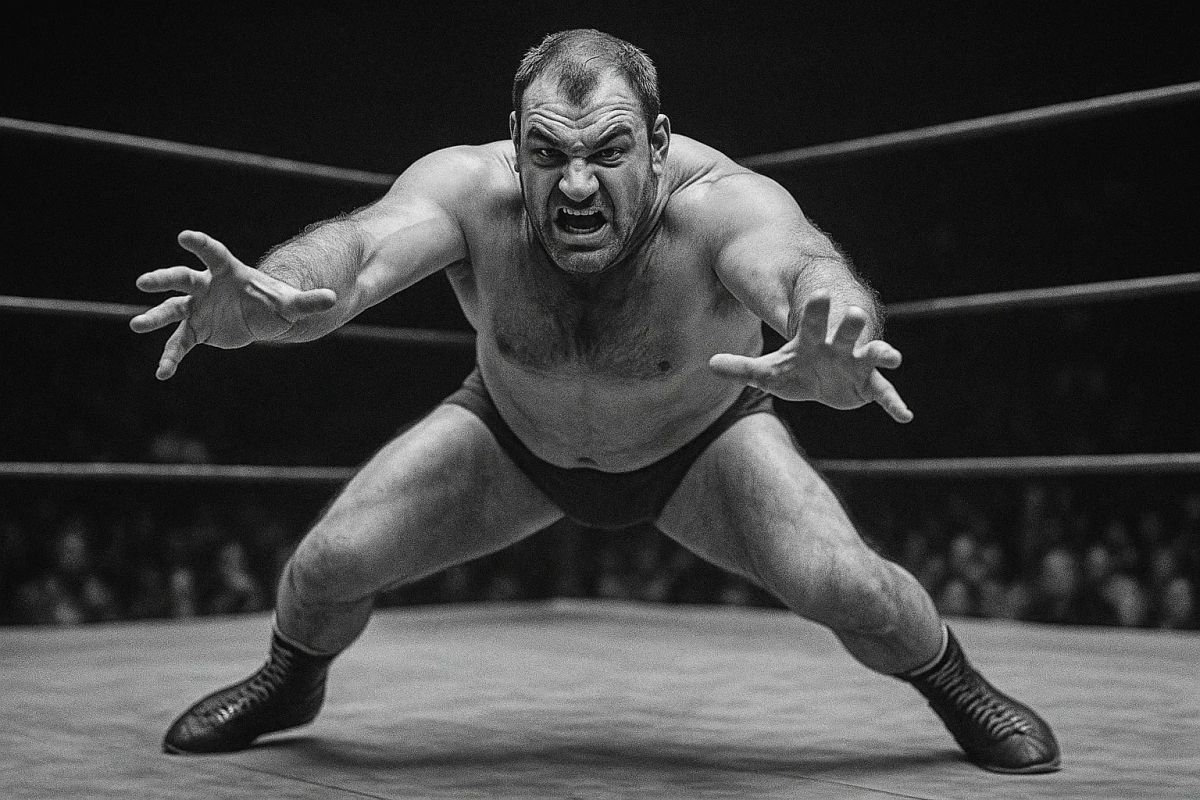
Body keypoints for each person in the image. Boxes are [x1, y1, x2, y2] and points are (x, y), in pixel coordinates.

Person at [131, 29, 1059, 773]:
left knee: (851, 589)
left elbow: (797, 266)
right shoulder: (471, 188)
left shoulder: (720, 204)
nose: (576, 185)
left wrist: (832, 324)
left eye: (609, 151)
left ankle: (958, 686)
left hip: (700, 443)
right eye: (549, 155)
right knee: (325, 566)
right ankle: (291, 683)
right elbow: (363, 249)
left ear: (657, 145)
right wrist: (272, 294)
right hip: (511, 437)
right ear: (516, 144)